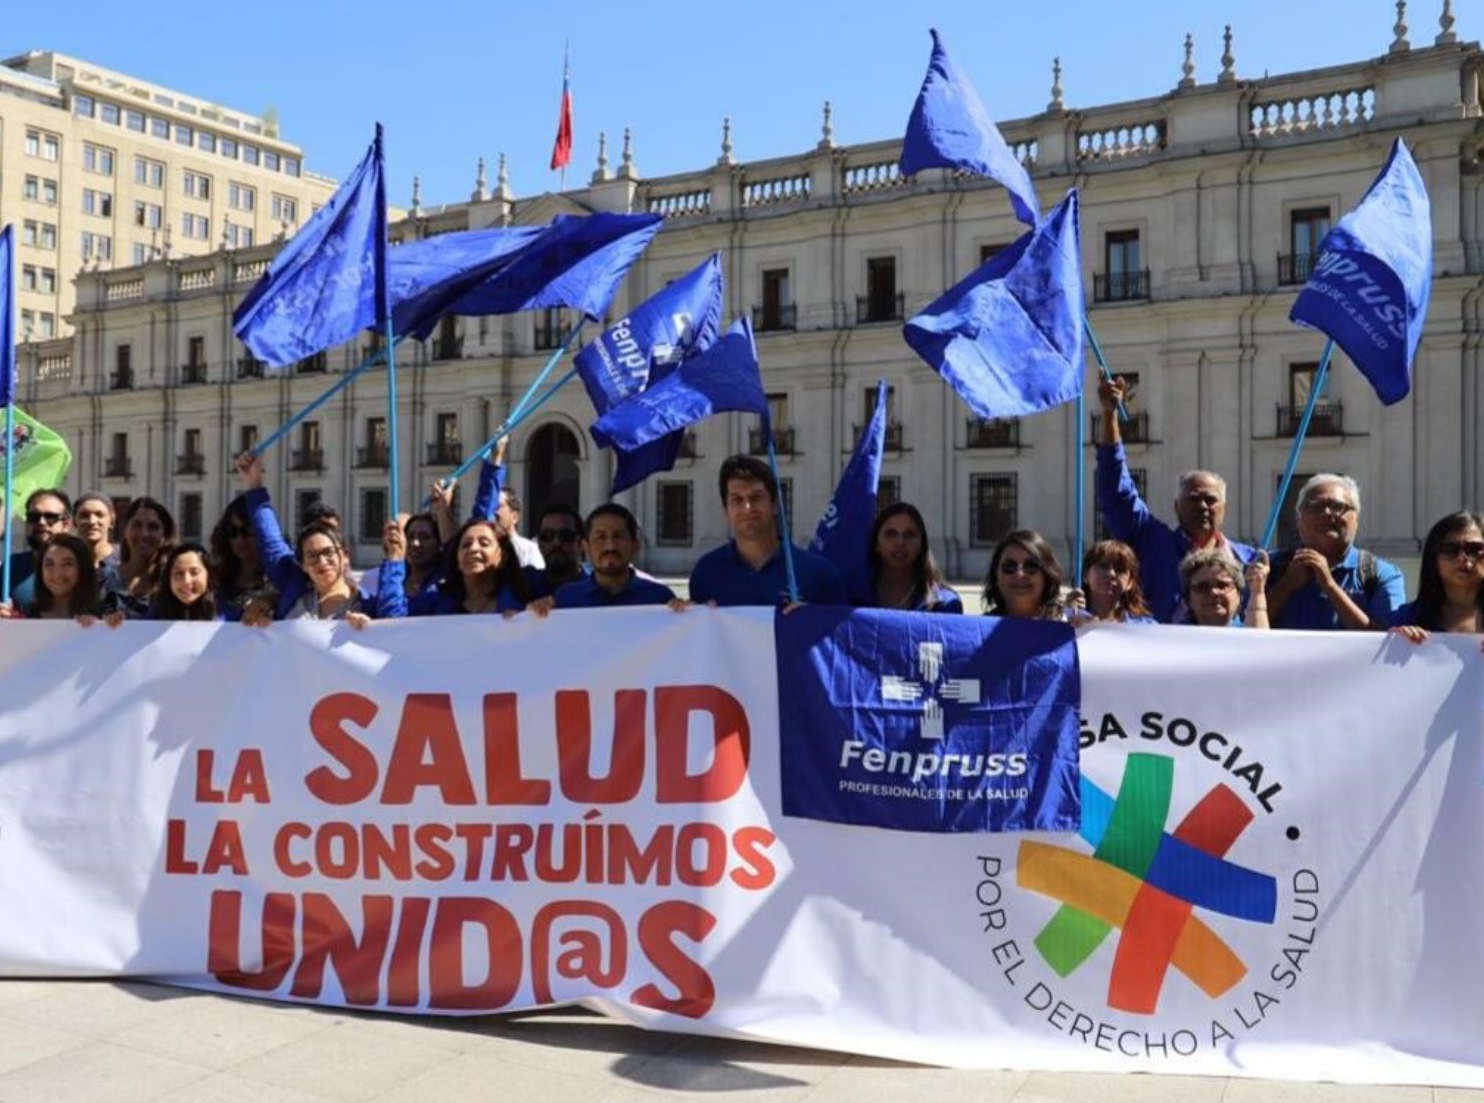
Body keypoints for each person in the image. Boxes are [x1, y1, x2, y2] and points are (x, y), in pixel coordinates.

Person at [1095, 377, 1257, 622]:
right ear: (1176, 507)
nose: (1202, 506)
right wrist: (1110, 416)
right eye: (1193, 499)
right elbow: (1117, 492)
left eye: (1210, 500)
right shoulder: (1151, 542)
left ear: (1224, 509)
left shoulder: (1248, 560)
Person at [234, 453, 402, 624]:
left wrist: (395, 559)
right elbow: (270, 539)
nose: (322, 561)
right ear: (302, 565)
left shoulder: (368, 606)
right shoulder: (292, 588)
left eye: (328, 552)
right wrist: (254, 485)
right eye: (312, 556)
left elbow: (394, 627)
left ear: (345, 556)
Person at [688, 455, 847, 607]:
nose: (747, 508)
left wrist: (810, 618)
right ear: (726, 510)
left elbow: (841, 631)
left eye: (756, 497)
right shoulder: (705, 573)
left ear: (775, 505)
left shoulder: (820, 575)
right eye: (737, 499)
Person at [1265, 474, 1404, 631]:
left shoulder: (1381, 574)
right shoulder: (1268, 568)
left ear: (1356, 519)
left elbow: (1388, 640)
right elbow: (1243, 630)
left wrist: (1329, 586)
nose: (1327, 513)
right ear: (1299, 520)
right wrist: (1287, 584)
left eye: (1338, 506)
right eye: (1316, 507)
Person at [392, 516, 539, 616]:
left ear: (503, 558)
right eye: (466, 545)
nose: (473, 549)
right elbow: (396, 621)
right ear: (456, 560)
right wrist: (394, 560)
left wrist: (543, 607)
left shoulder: (524, 596)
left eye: (484, 543)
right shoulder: (439, 601)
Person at [555, 504, 676, 608]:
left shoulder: (659, 598)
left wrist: (687, 614)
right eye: (600, 537)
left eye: (619, 536)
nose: (610, 546)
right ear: (585, 547)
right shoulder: (566, 599)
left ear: (635, 546)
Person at [1389, 511, 1484, 642]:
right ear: (1433, 559)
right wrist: (1394, 643)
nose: (1462, 558)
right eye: (1450, 550)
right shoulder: (1406, 618)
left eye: (1474, 549)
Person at [864, 502, 962, 613]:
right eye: (891, 534)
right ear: (876, 544)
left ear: (922, 545)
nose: (900, 542)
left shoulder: (944, 603)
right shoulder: (851, 597)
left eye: (909, 534)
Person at [982, 530, 1075, 621]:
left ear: (1046, 575)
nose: (1019, 574)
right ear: (996, 576)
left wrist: (1076, 617)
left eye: (1031, 566)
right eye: (1010, 566)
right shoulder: (979, 631)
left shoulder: (1068, 624)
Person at [209, 496, 275, 622]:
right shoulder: (215, 580)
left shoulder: (278, 581)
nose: (240, 539)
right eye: (233, 531)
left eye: (248, 531)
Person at [4, 488, 73, 610]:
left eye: (50, 517)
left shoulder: (83, 567)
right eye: (33, 516)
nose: (41, 522)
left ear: (66, 525)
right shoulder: (10, 567)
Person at [113, 496, 177, 618]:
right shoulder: (103, 581)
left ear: (165, 536)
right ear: (125, 531)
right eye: (137, 525)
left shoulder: (174, 584)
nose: (144, 534)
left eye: (153, 527)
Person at [1179, 548, 1270, 629]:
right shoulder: (1171, 639)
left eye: (1222, 585)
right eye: (1203, 587)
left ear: (1239, 596)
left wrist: (1257, 592)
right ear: (1188, 599)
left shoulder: (1247, 631)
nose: (1214, 592)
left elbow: (1257, 643)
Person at [21, 533, 102, 621]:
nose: (57, 574)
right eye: (49, 564)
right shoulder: (27, 616)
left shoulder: (103, 616)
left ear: (83, 568)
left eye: (67, 564)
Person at [1078, 539, 1156, 623]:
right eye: (1103, 566)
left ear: (1130, 582)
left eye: (1120, 569)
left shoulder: (1147, 628)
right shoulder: (1068, 620)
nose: (1111, 574)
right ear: (1086, 575)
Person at [151, 543, 220, 621]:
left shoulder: (228, 616)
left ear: (208, 574)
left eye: (194, 573)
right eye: (179, 573)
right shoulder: (153, 618)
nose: (186, 581)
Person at [73, 492, 121, 596]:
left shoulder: (125, 558)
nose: (92, 521)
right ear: (74, 521)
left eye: (99, 515)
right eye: (84, 515)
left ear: (112, 521)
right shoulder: (68, 560)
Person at [535, 501, 586, 592]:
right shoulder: (522, 586)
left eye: (566, 535)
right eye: (548, 536)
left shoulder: (599, 592)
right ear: (539, 543)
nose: (556, 543)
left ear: (581, 543)